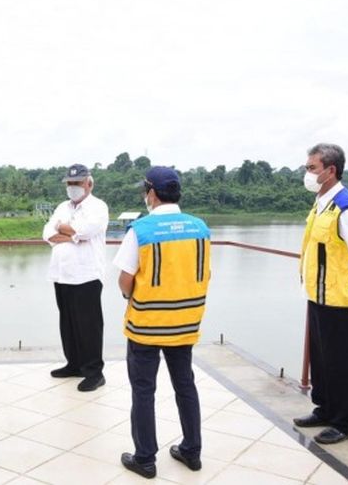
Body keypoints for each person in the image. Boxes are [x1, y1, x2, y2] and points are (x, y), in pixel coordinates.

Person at [113, 166, 211, 479]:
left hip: (146, 324)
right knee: (185, 384)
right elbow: (205, 273)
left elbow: (125, 280)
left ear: (151, 193)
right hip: (185, 323)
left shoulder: (140, 231)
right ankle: (192, 451)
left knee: (144, 390)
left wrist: (133, 298)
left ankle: (145, 458)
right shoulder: (200, 228)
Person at [293, 143, 348, 445]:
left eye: (312, 168)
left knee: (342, 362)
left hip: (341, 299)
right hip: (319, 295)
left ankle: (343, 422)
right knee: (321, 358)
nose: (308, 172)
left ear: (330, 171)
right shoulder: (322, 202)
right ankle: (325, 409)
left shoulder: (347, 208)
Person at [42, 163, 109, 392]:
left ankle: (94, 372)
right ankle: (74, 364)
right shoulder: (62, 206)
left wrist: (66, 230)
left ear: (89, 183)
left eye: (77, 183)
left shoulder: (98, 207)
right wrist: (72, 234)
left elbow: (88, 230)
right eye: (70, 183)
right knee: (67, 322)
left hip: (87, 275)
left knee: (88, 325)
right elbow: (47, 233)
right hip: (61, 274)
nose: (73, 187)